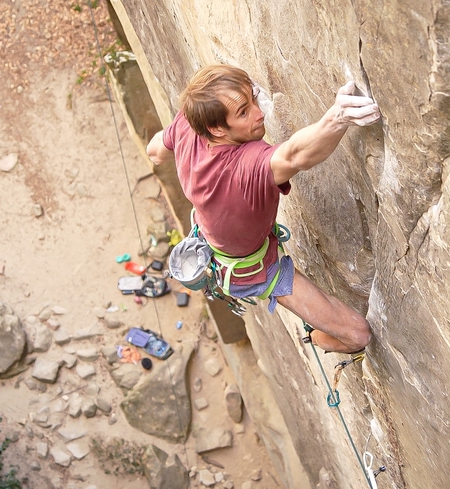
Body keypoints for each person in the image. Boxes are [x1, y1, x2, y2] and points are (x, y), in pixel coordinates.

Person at [147, 65, 380, 354]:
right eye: (244, 112)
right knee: (357, 335)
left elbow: (155, 151)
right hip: (254, 271)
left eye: (253, 99)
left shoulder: (187, 124)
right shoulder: (244, 166)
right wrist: (336, 119)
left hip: (210, 239)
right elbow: (296, 155)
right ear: (217, 128)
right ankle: (314, 339)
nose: (259, 113)